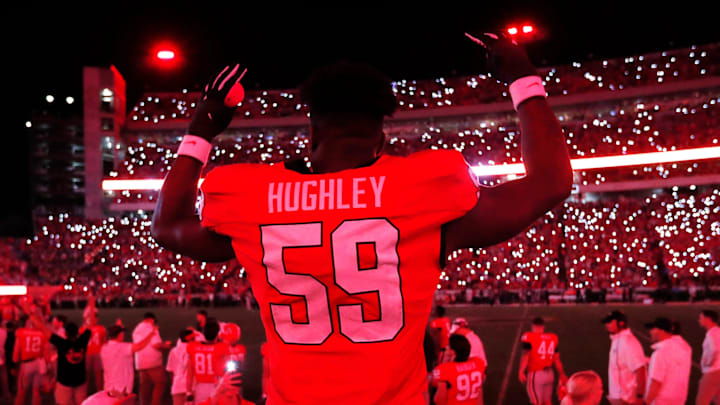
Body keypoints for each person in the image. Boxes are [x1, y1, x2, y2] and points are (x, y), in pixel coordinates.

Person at [151, 31, 572, 403]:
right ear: (381, 139)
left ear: (312, 134)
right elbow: (551, 182)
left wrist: (200, 133)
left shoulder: (254, 195)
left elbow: (168, 226)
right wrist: (523, 79)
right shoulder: (421, 187)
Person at [518, 317, 568, 405]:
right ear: (543, 327)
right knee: (547, 401)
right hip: (549, 375)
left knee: (537, 402)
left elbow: (526, 355)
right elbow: (556, 359)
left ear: (533, 326)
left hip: (536, 374)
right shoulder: (553, 338)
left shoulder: (529, 336)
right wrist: (562, 374)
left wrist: (521, 371)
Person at [601, 310, 646, 405]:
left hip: (626, 399)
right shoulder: (616, 340)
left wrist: (639, 397)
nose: (607, 325)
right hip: (618, 397)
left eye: (610, 322)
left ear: (621, 323)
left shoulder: (628, 343)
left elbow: (640, 370)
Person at [643, 317, 691, 405]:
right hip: (679, 399)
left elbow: (656, 383)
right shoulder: (685, 348)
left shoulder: (660, 353)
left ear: (662, 330)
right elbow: (672, 366)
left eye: (653, 329)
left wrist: (646, 402)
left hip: (661, 401)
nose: (650, 332)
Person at [100, 324, 156, 396]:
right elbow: (140, 346)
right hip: (121, 390)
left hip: (109, 388)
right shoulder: (122, 348)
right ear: (120, 334)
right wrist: (151, 334)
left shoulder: (104, 348)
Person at [431, 334, 485, 405]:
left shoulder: (444, 370)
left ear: (452, 352)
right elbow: (479, 394)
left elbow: (439, 401)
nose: (446, 347)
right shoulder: (478, 363)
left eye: (448, 346)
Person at [186, 318, 230, 404]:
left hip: (200, 388)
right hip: (217, 386)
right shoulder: (223, 347)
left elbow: (190, 373)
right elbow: (228, 372)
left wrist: (189, 392)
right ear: (217, 334)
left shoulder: (192, 347)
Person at [131, 313, 171, 405]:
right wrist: (166, 345)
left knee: (145, 387)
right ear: (152, 320)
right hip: (153, 362)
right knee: (160, 383)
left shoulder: (137, 329)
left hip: (140, 362)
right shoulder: (152, 328)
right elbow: (156, 344)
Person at [13, 315, 46, 405]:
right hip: (39, 363)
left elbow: (16, 351)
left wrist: (14, 365)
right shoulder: (42, 332)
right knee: (36, 391)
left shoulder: (21, 332)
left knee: (21, 391)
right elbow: (45, 350)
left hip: (27, 364)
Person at [697, 310, 720, 405]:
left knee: (702, 401)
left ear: (708, 319)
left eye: (701, 318)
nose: (699, 320)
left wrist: (708, 362)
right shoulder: (718, 331)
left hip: (713, 371)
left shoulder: (711, 333)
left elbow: (715, 349)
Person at [166, 328, 194, 405]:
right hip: (191, 387)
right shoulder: (194, 350)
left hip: (177, 385)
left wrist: (174, 384)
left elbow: (171, 371)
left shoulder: (173, 351)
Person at [81, 314, 106, 395]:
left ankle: (100, 392)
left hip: (98, 353)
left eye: (94, 318)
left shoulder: (101, 329)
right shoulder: (82, 329)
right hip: (87, 353)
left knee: (98, 373)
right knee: (86, 373)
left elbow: (103, 341)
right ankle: (84, 392)